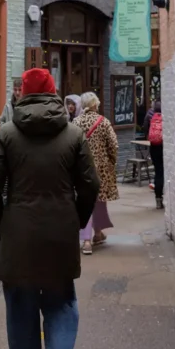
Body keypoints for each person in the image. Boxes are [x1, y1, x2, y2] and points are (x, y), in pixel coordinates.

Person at [0, 67, 99, 349]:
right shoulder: (73, 134)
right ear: (54, 92)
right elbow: (90, 184)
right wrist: (76, 218)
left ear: (22, 94)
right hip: (60, 233)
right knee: (62, 303)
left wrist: (3, 219)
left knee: (21, 311)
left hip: (18, 234)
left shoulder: (6, 134)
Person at [75, 92, 119, 255]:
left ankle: (95, 235)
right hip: (100, 169)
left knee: (86, 200)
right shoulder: (103, 122)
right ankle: (89, 239)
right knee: (99, 199)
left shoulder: (76, 122)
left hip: (82, 168)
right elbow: (113, 145)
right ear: (94, 105)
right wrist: (111, 161)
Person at [148, 101, 164, 209]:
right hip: (163, 147)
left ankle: (158, 199)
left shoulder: (150, 117)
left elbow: (146, 132)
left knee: (158, 172)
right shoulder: (165, 118)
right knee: (164, 173)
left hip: (153, 148)